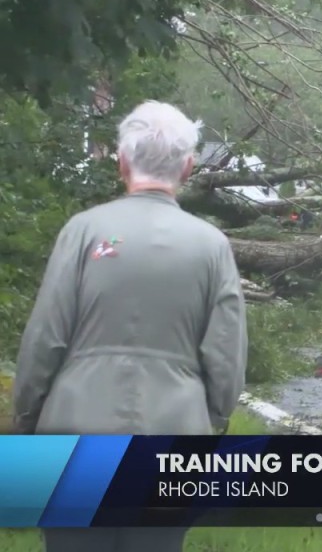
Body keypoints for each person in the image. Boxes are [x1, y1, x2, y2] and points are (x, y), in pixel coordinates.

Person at [12, 101, 249, 552]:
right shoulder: (212, 246)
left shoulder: (82, 231)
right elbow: (226, 352)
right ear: (188, 166)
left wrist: (27, 416)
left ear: (122, 161)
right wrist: (212, 418)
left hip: (73, 431)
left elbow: (46, 336)